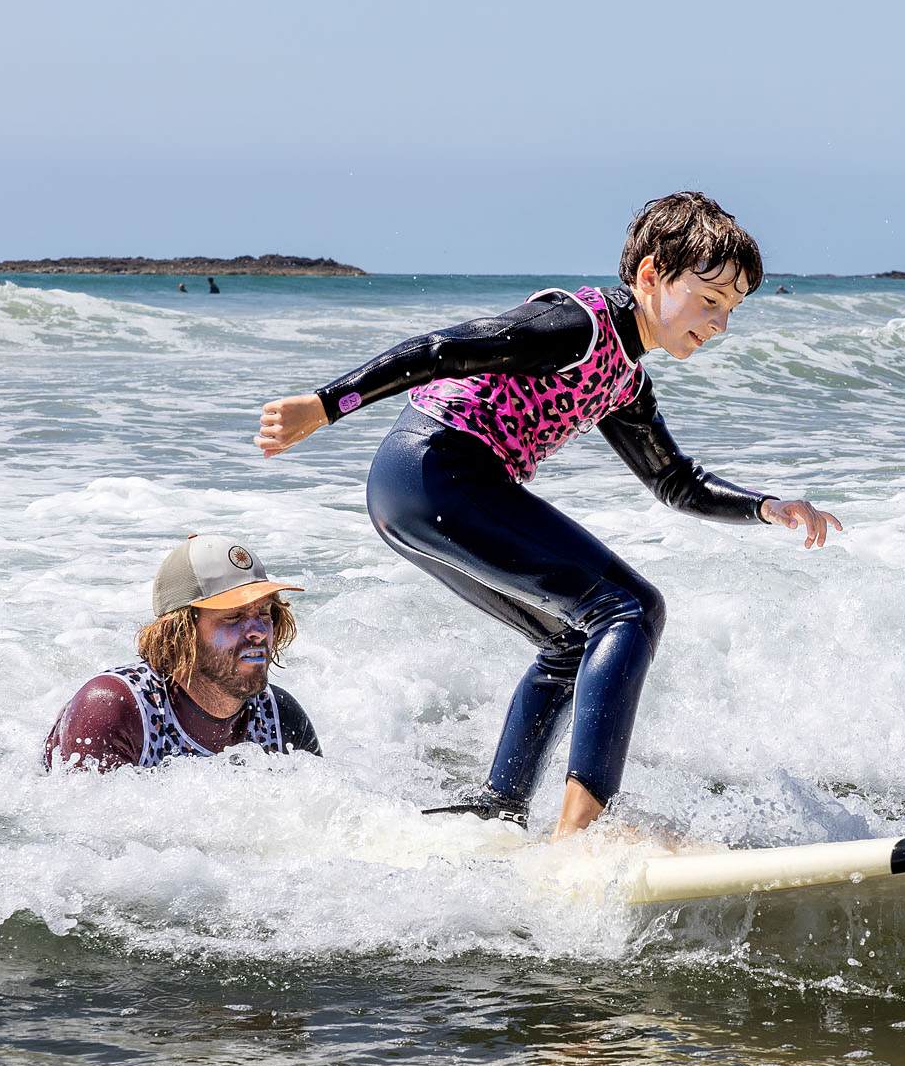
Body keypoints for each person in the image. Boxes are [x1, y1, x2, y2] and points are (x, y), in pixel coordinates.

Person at [255, 191, 840, 837]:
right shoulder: (576, 326)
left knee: (570, 638)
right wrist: (326, 404)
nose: (720, 324)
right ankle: (582, 826)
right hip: (434, 470)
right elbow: (442, 349)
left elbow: (674, 480)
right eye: (709, 301)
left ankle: (499, 805)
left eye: (729, 311)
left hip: (413, 493)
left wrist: (765, 507)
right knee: (629, 607)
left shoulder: (623, 377)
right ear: (650, 276)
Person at [43, 534, 321, 771]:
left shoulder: (279, 716)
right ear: (181, 632)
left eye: (264, 612)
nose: (259, 631)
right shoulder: (114, 710)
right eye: (233, 617)